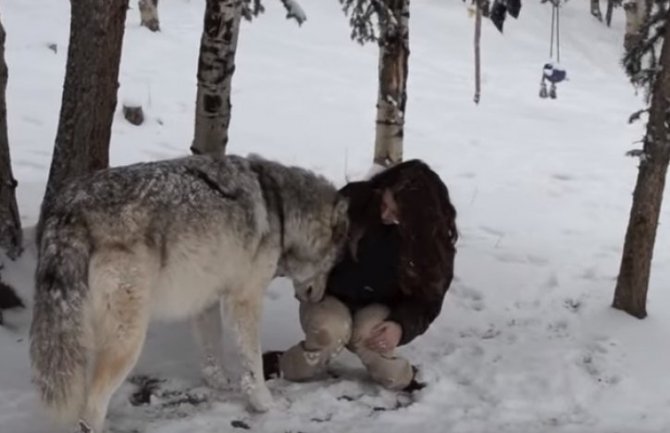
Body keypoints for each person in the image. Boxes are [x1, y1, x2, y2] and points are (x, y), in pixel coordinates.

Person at [263, 159, 458, 392]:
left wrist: (400, 326)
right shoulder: (354, 200)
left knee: (387, 371)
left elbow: (428, 300)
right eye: (384, 204)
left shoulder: (431, 243)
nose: (385, 215)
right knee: (326, 334)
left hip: (381, 309)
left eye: (396, 214)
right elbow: (311, 243)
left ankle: (408, 375)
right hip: (329, 295)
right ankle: (282, 364)